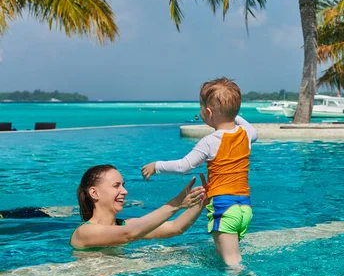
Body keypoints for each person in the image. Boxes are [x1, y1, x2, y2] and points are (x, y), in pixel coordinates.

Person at [141, 78, 258, 266]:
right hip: (244, 208)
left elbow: (183, 166)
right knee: (224, 256)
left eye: (201, 107)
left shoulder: (210, 141)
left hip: (224, 207)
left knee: (233, 264)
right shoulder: (247, 135)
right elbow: (250, 128)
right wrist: (232, 112)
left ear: (209, 112)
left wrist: (156, 166)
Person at [70, 164, 206, 250]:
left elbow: (175, 228)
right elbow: (128, 234)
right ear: (94, 193)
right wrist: (176, 204)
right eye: (116, 186)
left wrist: (204, 199)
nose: (124, 191)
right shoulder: (84, 232)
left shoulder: (126, 224)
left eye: (123, 185)